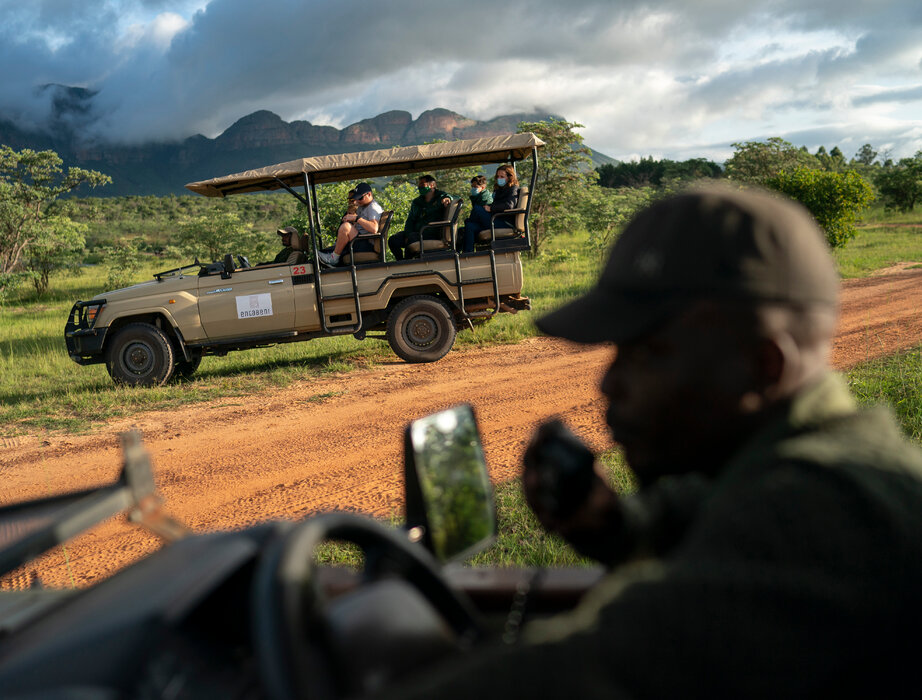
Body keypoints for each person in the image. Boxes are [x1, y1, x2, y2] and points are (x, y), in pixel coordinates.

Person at [384, 186, 922, 698]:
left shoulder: (821, 510)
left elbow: (598, 670)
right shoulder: (794, 468)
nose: (608, 383)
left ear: (764, 365)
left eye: (649, 354)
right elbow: (693, 515)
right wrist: (607, 526)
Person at [388, 175, 453, 261]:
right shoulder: (417, 202)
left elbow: (453, 197)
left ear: (432, 185)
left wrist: (448, 198)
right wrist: (407, 234)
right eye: (419, 184)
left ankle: (408, 263)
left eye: (422, 184)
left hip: (431, 233)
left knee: (412, 239)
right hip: (416, 233)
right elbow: (410, 220)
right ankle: (401, 261)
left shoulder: (440, 196)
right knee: (393, 240)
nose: (419, 187)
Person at [318, 182, 383, 266]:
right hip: (359, 241)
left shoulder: (373, 207)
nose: (357, 201)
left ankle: (334, 258)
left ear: (369, 194)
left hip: (366, 243)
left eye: (360, 198)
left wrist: (356, 218)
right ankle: (333, 256)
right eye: (357, 198)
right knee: (320, 253)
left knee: (346, 227)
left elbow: (374, 228)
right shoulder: (363, 206)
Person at [461, 164, 519, 254]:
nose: (499, 178)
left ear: (509, 177)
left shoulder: (513, 189)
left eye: (502, 176)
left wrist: (491, 208)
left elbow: (509, 205)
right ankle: (467, 255)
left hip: (504, 223)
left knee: (477, 209)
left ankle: (468, 222)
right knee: (469, 226)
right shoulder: (499, 189)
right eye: (498, 176)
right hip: (495, 219)